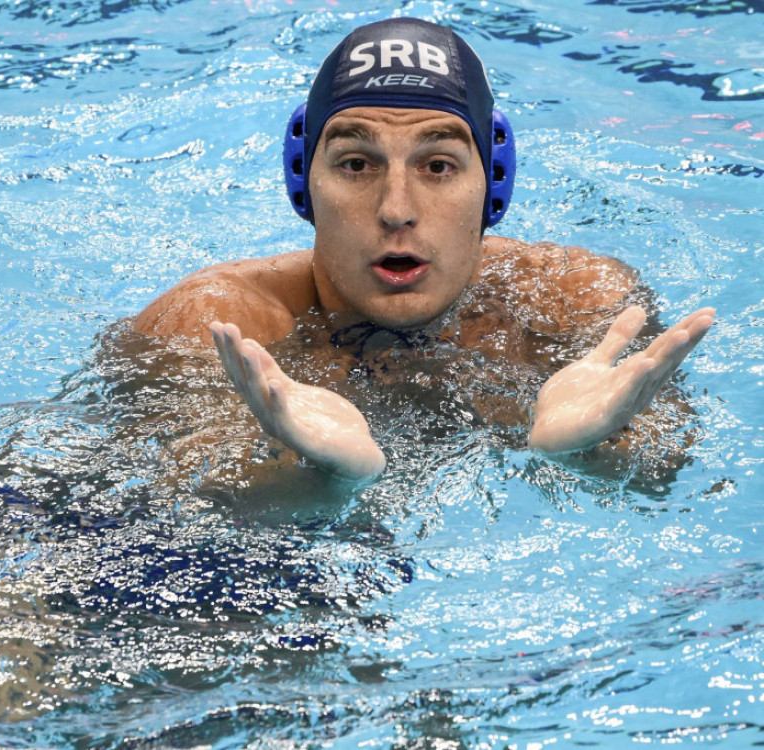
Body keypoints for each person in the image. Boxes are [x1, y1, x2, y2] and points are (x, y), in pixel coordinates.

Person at [133, 18, 714, 481]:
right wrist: (324, 478)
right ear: (302, 183)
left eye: (438, 166)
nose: (396, 209)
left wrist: (582, 451)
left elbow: (664, 471)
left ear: (494, 187)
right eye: (356, 164)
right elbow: (187, 505)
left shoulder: (574, 298)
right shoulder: (221, 326)